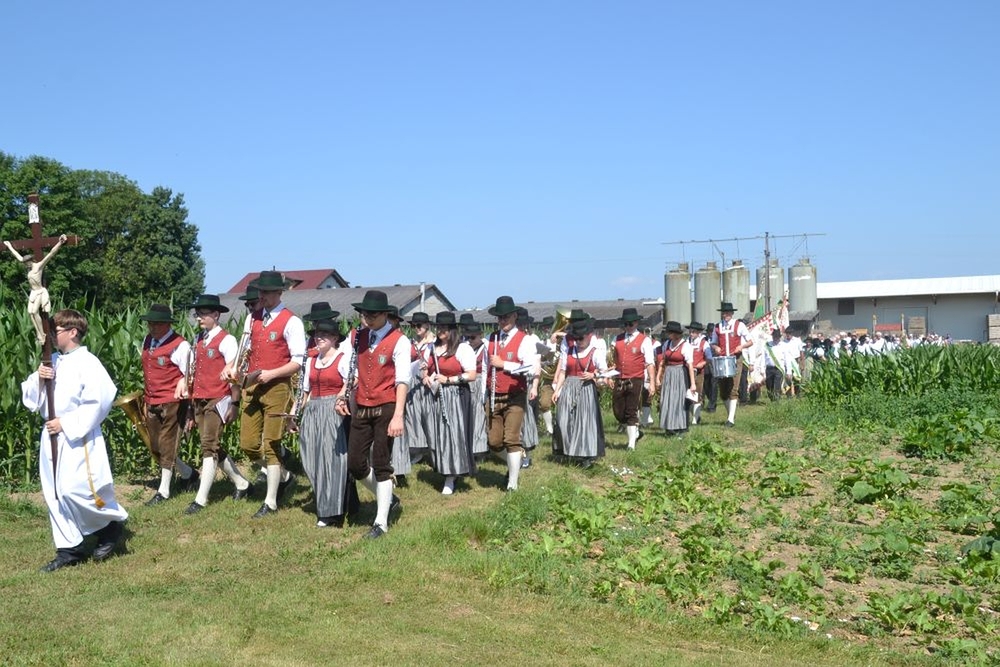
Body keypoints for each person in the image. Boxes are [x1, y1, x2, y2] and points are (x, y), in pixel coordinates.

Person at [21, 309, 128, 571]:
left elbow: (100, 400)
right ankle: (69, 549)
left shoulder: (88, 362)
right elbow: (30, 398)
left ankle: (109, 526)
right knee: (55, 493)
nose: (50, 336)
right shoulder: (52, 360)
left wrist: (66, 423)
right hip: (51, 435)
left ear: (73, 332)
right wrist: (40, 378)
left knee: (75, 489)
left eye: (54, 331)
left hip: (77, 436)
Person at [227, 270, 305, 518]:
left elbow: (298, 361)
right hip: (252, 385)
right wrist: (234, 367)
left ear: (280, 292)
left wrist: (272, 374)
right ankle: (284, 476)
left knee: (271, 444)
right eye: (261, 291)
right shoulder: (252, 319)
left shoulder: (292, 321)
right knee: (248, 444)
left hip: (277, 387)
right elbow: (245, 349)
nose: (263, 296)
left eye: (268, 292)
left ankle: (270, 502)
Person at [335, 290, 409, 539]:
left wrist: (398, 415)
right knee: (355, 463)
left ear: (385, 314)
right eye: (365, 314)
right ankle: (387, 498)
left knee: (381, 463)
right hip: (362, 405)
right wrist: (342, 394)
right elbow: (349, 369)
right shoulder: (357, 336)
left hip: (386, 406)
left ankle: (381, 522)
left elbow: (402, 380)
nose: (367, 318)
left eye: (373, 315)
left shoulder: (399, 340)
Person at [183, 295, 252, 514]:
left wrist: (234, 403)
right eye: (197, 314)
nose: (199, 318)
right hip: (200, 399)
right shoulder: (198, 339)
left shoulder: (227, 340)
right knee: (212, 444)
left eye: (203, 314)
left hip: (218, 398)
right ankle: (242, 483)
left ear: (216, 315)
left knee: (209, 446)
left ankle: (201, 499)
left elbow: (235, 374)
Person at [298, 309, 356, 527]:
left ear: (334, 338)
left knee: (331, 461)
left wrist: (341, 396)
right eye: (317, 335)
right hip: (313, 411)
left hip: (332, 410)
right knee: (310, 458)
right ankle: (327, 502)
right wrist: (294, 414)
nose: (318, 338)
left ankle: (331, 512)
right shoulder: (311, 361)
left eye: (324, 335)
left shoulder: (342, 358)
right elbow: (304, 391)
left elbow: (352, 380)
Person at [139, 303, 198, 505]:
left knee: (167, 443)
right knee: (155, 445)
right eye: (150, 324)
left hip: (173, 401)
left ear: (167, 324)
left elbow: (190, 375)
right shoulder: (148, 340)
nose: (152, 327)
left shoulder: (180, 345)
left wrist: (189, 409)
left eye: (156, 324)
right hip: (152, 399)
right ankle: (188, 473)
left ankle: (163, 491)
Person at [485, 296, 539, 491]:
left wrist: (504, 364)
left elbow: (530, 368)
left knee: (511, 439)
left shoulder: (525, 340)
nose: (503, 321)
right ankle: (515, 462)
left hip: (515, 395)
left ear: (515, 316)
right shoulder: (491, 338)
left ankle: (512, 485)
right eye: (500, 317)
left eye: (506, 317)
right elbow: (485, 367)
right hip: (493, 395)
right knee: (494, 441)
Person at [425, 311, 478, 494]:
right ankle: (444, 468)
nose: (440, 331)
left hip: (456, 396)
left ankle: (453, 473)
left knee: (454, 434)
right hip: (437, 396)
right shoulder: (433, 348)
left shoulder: (462, 349)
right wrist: (426, 377)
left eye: (444, 328)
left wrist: (449, 380)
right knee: (440, 434)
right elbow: (427, 369)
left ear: (452, 329)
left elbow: (471, 375)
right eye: (438, 327)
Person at [552, 319, 610, 466]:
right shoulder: (569, 351)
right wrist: (557, 390)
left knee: (584, 422)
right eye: (575, 338)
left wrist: (593, 375)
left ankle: (585, 456)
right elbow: (563, 372)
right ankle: (568, 449)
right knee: (563, 419)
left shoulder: (595, 352)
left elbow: (604, 373)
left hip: (586, 389)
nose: (578, 341)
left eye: (581, 338)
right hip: (568, 387)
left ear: (589, 336)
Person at [4, 233, 68, 345]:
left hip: (39, 292)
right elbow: (18, 256)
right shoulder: (27, 267)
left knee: (34, 311)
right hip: (33, 293)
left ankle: (42, 333)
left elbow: (51, 254)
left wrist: (60, 243)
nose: (26, 265)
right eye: (25, 263)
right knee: (30, 313)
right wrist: (9, 246)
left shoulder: (38, 266)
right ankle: (39, 333)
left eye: (27, 263)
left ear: (31, 261)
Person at [611, 307, 656, 450]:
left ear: (636, 323)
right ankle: (636, 433)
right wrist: (609, 376)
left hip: (636, 378)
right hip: (619, 378)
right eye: (625, 324)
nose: (628, 326)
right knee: (618, 411)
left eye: (630, 324)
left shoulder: (644, 340)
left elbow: (650, 363)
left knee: (632, 410)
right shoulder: (617, 339)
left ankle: (631, 444)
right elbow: (613, 361)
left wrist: (652, 383)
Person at [710, 302, 754, 427]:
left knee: (734, 388)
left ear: (732, 313)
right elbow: (713, 343)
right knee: (723, 391)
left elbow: (750, 341)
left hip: (736, 359)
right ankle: (731, 413)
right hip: (722, 359)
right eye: (723, 313)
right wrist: (716, 347)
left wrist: (741, 346)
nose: (725, 315)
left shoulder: (739, 325)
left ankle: (730, 420)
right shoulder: (717, 327)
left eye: (727, 313)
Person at [656, 321, 696, 434]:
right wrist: (658, 377)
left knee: (679, 400)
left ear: (675, 333)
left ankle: (681, 426)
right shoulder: (667, 344)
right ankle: (669, 426)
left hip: (680, 374)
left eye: (669, 332)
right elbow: (663, 361)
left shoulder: (685, 346)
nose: (667, 334)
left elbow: (690, 365)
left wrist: (693, 384)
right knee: (668, 399)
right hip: (669, 374)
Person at [461, 319, 490, 460]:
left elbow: (486, 370)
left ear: (480, 335)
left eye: (472, 337)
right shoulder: (465, 348)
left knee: (479, 417)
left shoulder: (486, 348)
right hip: (467, 382)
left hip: (480, 383)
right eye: (467, 337)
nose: (470, 340)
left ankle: (479, 449)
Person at [686, 321, 710, 425]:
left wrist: (703, 363)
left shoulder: (704, 343)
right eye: (690, 331)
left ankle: (695, 420)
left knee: (697, 394)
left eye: (693, 331)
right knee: (687, 395)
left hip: (699, 372)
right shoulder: (686, 342)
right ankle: (694, 416)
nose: (691, 333)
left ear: (699, 333)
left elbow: (709, 358)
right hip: (687, 371)